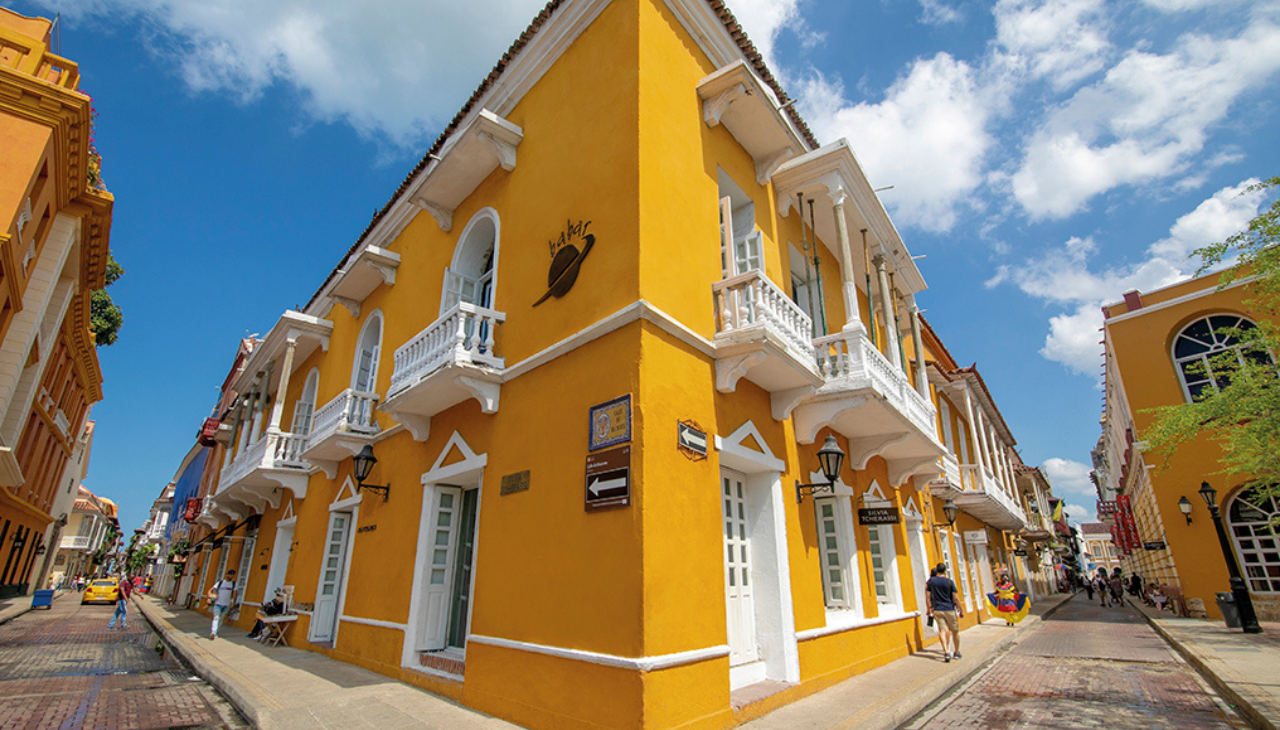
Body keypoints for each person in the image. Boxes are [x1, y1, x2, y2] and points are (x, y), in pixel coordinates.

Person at [926, 562, 964, 662]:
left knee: (942, 630)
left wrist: (929, 608)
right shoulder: (949, 582)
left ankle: (946, 652)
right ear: (945, 571)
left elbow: (928, 597)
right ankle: (956, 652)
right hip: (949, 609)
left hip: (938, 609)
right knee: (955, 631)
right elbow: (955, 597)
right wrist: (960, 609)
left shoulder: (931, 582)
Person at [207, 569, 238, 640]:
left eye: (232, 574)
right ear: (226, 574)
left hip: (226, 605)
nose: (231, 576)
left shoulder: (233, 584)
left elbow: (235, 594)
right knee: (216, 617)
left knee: (221, 619)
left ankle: (216, 632)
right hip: (218, 603)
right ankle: (213, 632)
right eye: (230, 574)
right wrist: (209, 597)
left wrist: (233, 602)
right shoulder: (220, 583)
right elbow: (210, 590)